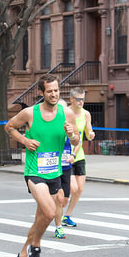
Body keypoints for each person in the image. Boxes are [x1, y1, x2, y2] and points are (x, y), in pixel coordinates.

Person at [4, 75, 79, 257]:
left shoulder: (67, 114)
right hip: (34, 171)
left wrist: (72, 134)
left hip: (54, 171)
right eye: (49, 91)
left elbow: (76, 140)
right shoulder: (30, 113)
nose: (53, 94)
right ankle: (36, 247)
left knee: (40, 219)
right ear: (41, 93)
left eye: (56, 90)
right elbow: (9, 127)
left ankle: (22, 256)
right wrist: (24, 141)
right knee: (48, 212)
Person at [61, 87, 95, 227]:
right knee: (73, 188)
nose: (81, 102)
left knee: (79, 189)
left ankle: (66, 215)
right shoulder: (65, 113)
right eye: (78, 99)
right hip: (65, 155)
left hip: (79, 154)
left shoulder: (86, 114)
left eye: (83, 99)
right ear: (71, 99)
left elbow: (88, 131)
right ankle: (57, 209)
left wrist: (91, 134)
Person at [54, 99, 74, 239]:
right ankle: (58, 227)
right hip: (54, 167)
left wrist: (73, 154)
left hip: (67, 165)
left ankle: (55, 213)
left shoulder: (70, 126)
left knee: (65, 199)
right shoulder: (52, 126)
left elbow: (77, 141)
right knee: (59, 198)